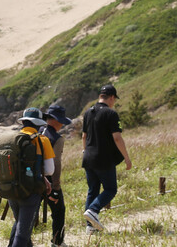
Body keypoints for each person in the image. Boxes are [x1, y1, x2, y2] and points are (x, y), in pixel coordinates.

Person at [82, 84, 132, 232]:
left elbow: (84, 136)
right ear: (111, 97)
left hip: (88, 157)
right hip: (103, 158)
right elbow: (117, 138)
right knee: (110, 189)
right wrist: (127, 158)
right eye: (114, 99)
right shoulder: (111, 114)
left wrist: (85, 151)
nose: (114, 102)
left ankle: (90, 227)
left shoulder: (87, 113)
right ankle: (93, 210)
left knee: (93, 190)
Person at [8, 107, 55, 247]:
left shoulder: (12, 139)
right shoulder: (42, 140)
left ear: (23, 122)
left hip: (10, 190)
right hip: (31, 192)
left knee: (20, 224)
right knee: (23, 234)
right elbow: (50, 170)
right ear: (38, 124)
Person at [39, 104, 72, 247]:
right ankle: (57, 242)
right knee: (59, 211)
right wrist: (56, 189)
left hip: (32, 178)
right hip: (49, 181)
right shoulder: (57, 139)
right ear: (56, 120)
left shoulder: (37, 131)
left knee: (30, 213)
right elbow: (56, 164)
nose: (61, 124)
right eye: (61, 121)